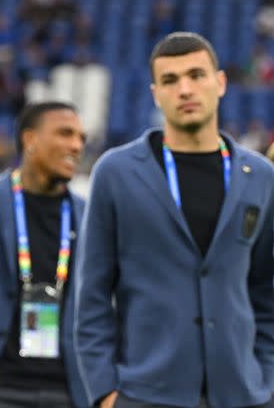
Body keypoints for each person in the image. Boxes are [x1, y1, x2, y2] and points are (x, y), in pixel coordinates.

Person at [74, 32, 274, 408]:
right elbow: (93, 296)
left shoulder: (261, 177)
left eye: (196, 75)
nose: (185, 89)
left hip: (243, 394)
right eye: (170, 80)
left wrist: (265, 378)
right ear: (155, 92)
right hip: (145, 394)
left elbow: (267, 291)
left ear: (220, 83)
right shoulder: (116, 172)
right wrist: (104, 392)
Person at [0, 102, 88, 408]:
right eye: (65, 134)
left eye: (82, 137)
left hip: (69, 391)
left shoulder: (89, 216)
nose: (77, 145)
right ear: (31, 140)